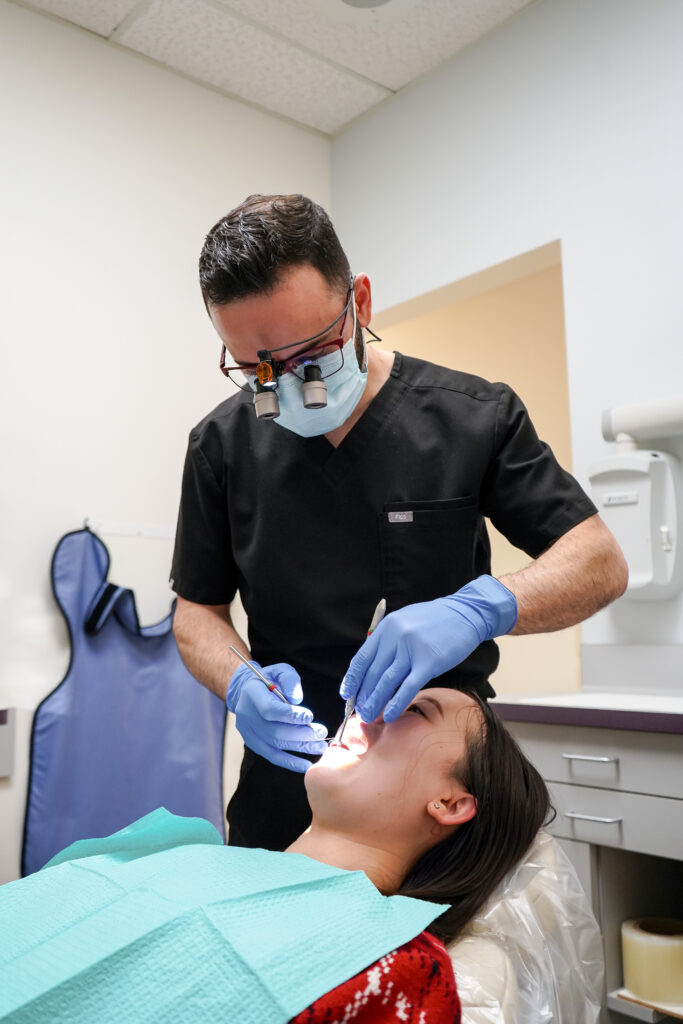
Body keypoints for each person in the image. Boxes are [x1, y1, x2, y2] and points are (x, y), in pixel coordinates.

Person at [171, 193, 628, 850]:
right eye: (258, 370)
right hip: (291, 780)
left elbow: (597, 561)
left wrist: (480, 608)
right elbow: (196, 613)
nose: (291, 387)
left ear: (359, 303)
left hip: (431, 774)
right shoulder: (220, 445)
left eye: (310, 356)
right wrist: (238, 681)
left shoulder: (471, 417)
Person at [0, 688, 553, 1024]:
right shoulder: (186, 851)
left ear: (451, 802)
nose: (370, 709)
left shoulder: (399, 969)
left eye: (412, 708)